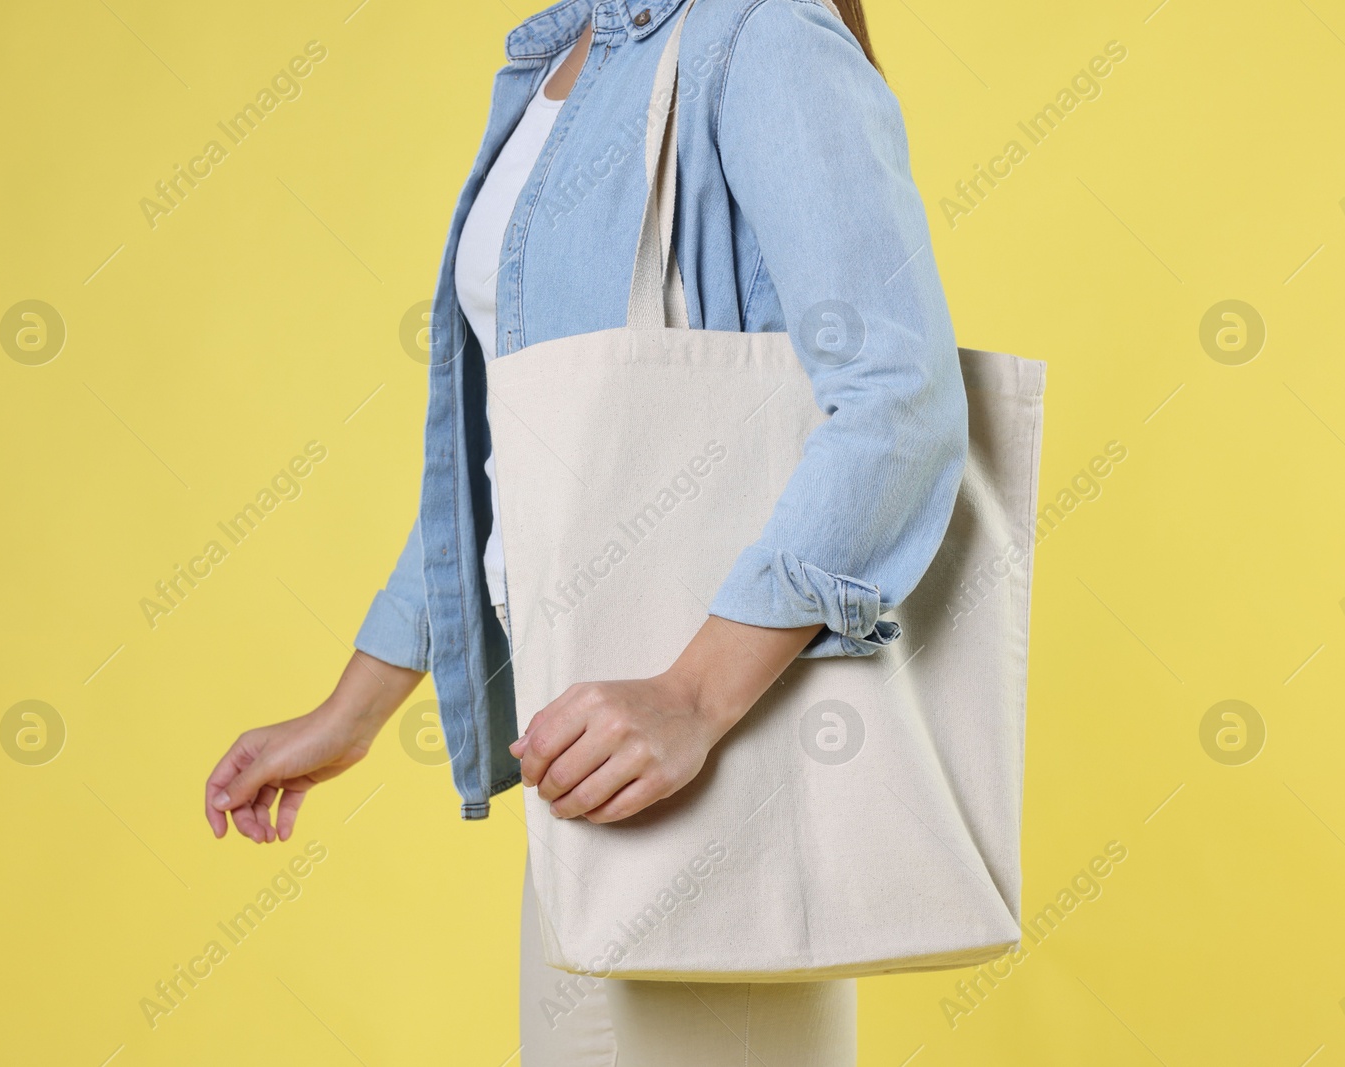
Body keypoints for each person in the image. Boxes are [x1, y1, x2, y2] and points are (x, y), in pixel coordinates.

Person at [204, 1, 968, 1061]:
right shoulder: (568, 55)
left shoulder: (765, 39)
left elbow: (899, 396)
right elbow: (529, 458)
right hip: (598, 746)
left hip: (704, 752)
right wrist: (356, 703)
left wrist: (693, 696)